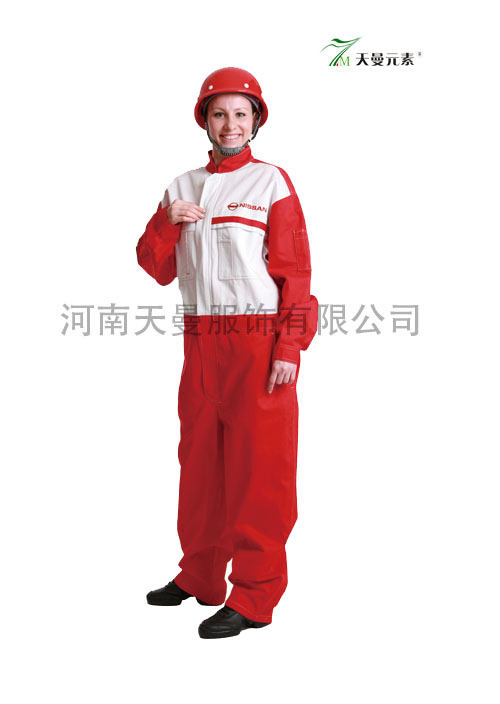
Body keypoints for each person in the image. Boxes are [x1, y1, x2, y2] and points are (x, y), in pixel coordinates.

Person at [136, 67, 318, 639]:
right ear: (205, 120)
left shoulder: (271, 183)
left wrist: (289, 346)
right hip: (199, 343)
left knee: (259, 472)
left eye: (241, 114)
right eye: (220, 114)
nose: (230, 124)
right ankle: (200, 576)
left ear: (256, 120)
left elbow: (296, 273)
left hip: (258, 344)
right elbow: (156, 267)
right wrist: (166, 223)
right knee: (200, 465)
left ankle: (256, 595)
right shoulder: (181, 186)